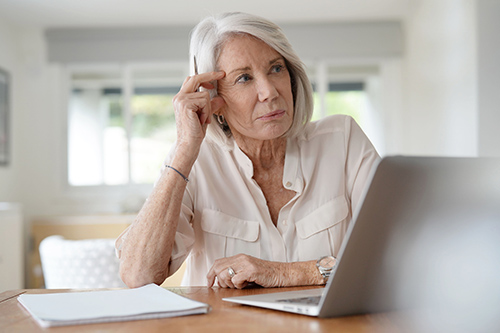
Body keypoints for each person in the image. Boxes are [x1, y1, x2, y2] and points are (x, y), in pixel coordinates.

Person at [116, 12, 380, 289]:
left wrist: (288, 273)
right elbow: (138, 275)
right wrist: (184, 149)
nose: (269, 91)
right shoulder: (195, 160)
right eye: (244, 78)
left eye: (276, 69)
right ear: (213, 97)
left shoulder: (343, 140)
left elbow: (400, 257)